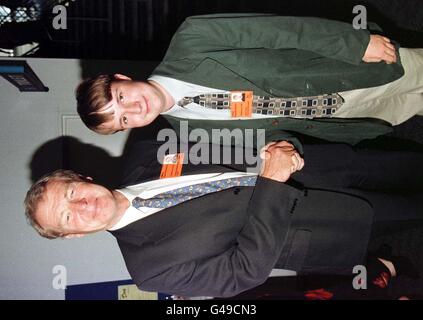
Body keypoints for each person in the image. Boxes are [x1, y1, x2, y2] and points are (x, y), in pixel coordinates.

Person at [25, 137, 423, 298]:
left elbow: (225, 135)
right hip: (326, 224)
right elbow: (243, 272)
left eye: (72, 193)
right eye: (68, 216)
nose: (81, 206)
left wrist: (276, 141)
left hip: (315, 164)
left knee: (408, 163)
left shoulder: (145, 152)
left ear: (82, 179)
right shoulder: (150, 269)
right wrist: (272, 184)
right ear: (73, 236)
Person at [76, 14, 423, 144]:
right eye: (123, 120)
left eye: (121, 97)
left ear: (122, 77)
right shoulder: (187, 131)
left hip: (346, 69)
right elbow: (269, 129)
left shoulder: (191, 38)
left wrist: (355, 43)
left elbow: (282, 30)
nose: (135, 108)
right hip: (343, 117)